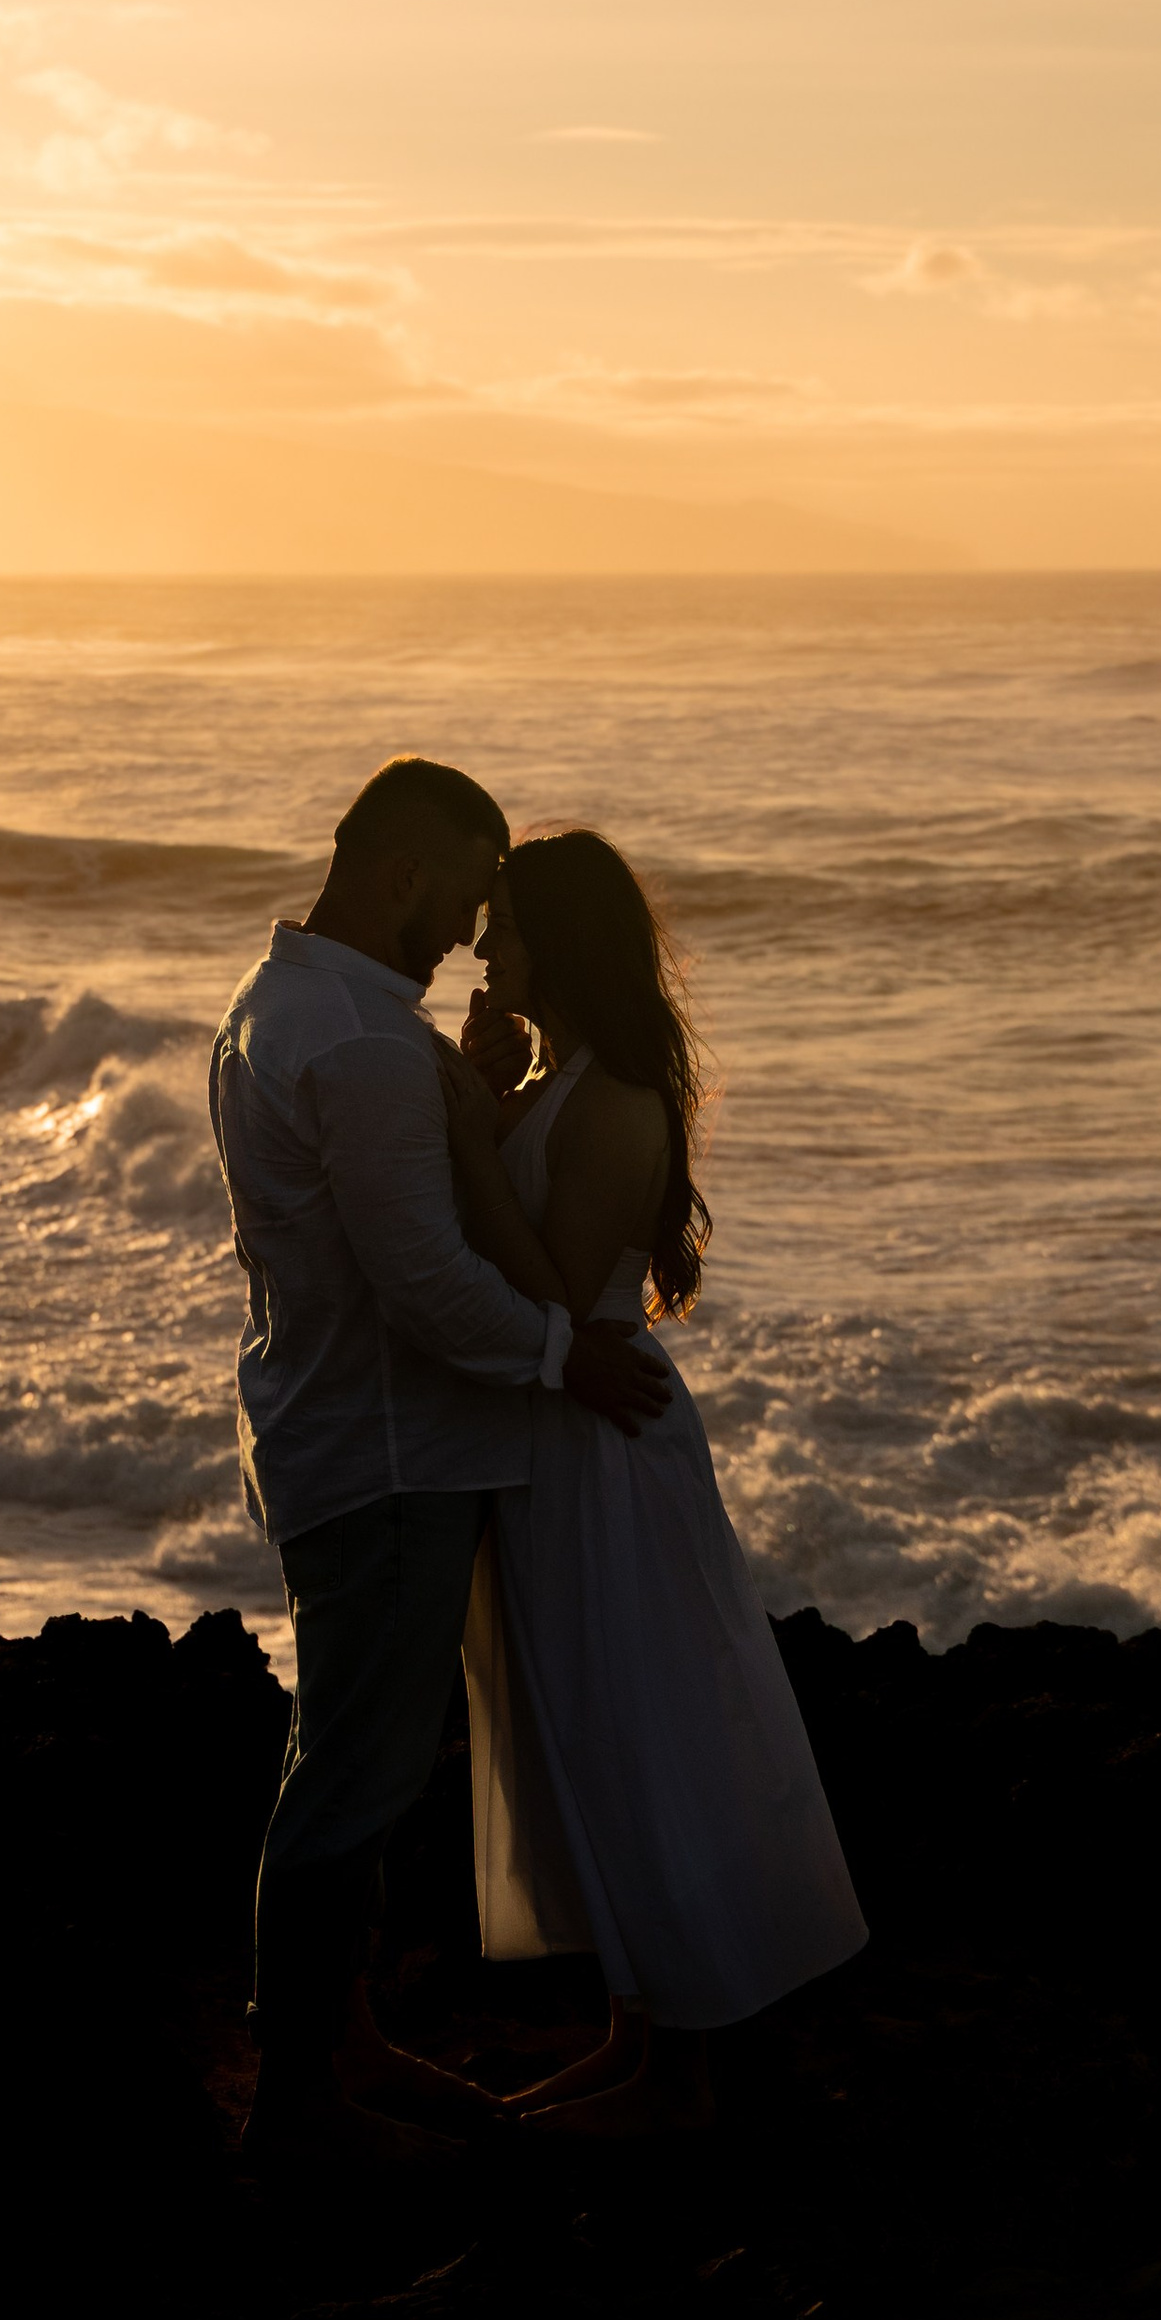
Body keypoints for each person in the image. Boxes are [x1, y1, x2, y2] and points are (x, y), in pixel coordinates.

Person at [210, 757, 672, 2170]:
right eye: (470, 893)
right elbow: (420, 1276)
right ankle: (302, 2092)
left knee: (345, 1751)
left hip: (322, 1428)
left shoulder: (278, 1004)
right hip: (389, 1453)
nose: (478, 933)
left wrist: (464, 1104)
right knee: (356, 1772)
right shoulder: (356, 1040)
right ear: (402, 872)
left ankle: (333, 2038)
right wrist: (560, 1355)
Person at [435, 827, 867, 2136]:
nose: (482, 946)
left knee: (640, 1723)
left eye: (503, 926)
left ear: (554, 943)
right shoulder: (558, 1081)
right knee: (588, 1726)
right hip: (558, 1431)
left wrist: (465, 1120)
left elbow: (545, 1291)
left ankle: (682, 2060)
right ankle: (640, 2030)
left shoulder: (613, 1098)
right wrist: (479, 1096)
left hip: (602, 1446)